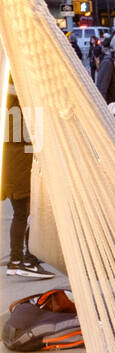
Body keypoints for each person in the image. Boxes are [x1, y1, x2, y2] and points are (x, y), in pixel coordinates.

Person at [2, 85, 53, 280]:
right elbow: (29, 141)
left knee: (21, 214)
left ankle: (17, 261)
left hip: (12, 166)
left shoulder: (10, 110)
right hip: (20, 167)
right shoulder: (19, 111)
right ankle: (27, 261)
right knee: (26, 213)